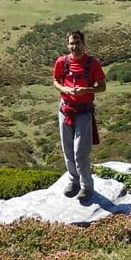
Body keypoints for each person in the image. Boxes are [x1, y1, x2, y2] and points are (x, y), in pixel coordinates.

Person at [53, 29, 107, 203]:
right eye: (71, 43)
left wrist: (87, 90)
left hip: (83, 112)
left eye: (77, 43)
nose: (74, 46)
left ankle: (87, 186)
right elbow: (56, 81)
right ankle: (73, 181)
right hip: (65, 110)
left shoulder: (93, 64)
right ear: (67, 44)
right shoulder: (62, 62)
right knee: (67, 150)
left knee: (80, 153)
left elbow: (102, 86)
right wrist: (64, 89)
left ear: (83, 44)